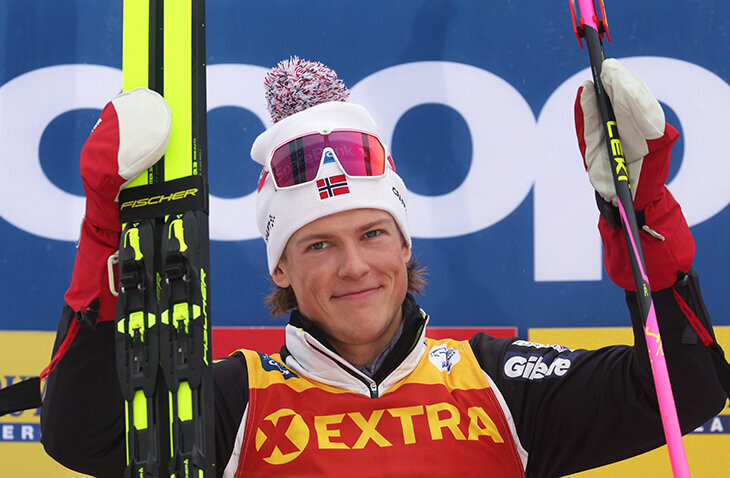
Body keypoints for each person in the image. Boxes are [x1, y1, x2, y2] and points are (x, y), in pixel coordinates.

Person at [40, 57, 727, 477]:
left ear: (404, 247)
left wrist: (641, 212)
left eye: (372, 234)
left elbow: (686, 390)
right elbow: (82, 436)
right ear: (281, 269)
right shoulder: (234, 400)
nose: (354, 267)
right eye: (318, 245)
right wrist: (104, 231)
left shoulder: (495, 385)